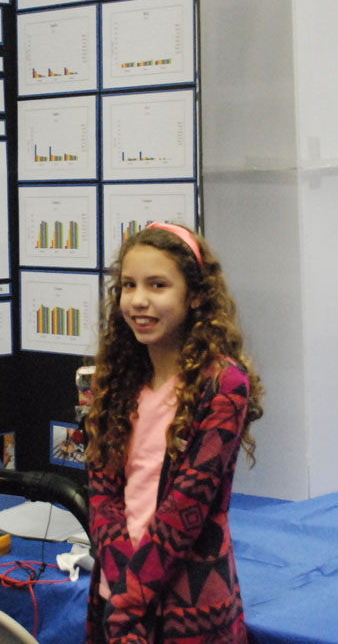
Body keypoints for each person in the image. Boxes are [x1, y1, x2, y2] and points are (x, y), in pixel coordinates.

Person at [84, 222, 263, 644]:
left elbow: (186, 509)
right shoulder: (116, 380)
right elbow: (102, 494)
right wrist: (120, 589)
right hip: (115, 592)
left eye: (158, 285)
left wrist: (128, 605)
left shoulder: (222, 385)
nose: (139, 300)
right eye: (129, 285)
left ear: (195, 295)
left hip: (188, 602)